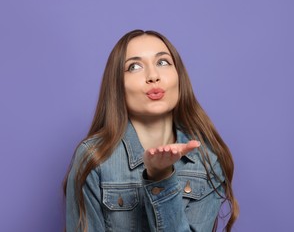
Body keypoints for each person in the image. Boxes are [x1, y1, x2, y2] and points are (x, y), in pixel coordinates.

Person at [64, 29, 239, 231]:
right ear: (117, 85)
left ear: (179, 76)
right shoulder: (94, 158)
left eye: (163, 62)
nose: (153, 76)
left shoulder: (207, 159)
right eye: (134, 66)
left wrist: (161, 177)